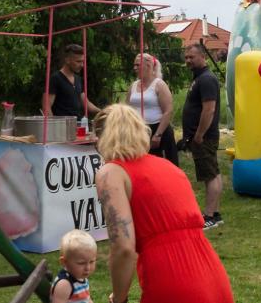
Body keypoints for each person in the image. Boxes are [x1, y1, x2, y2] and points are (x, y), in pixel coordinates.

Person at [94, 105, 233, 303]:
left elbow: (123, 248)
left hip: (171, 279)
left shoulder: (111, 173)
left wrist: (118, 298)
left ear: (103, 138)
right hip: (212, 275)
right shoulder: (169, 166)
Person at [180, 44, 223, 229]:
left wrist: (199, 134)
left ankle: (209, 216)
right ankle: (216, 213)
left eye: (192, 57)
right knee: (213, 172)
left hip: (203, 137)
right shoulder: (199, 78)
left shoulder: (206, 79)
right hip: (202, 136)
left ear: (203, 56)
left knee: (209, 176)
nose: (188, 60)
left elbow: (209, 109)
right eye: (186, 57)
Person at [126, 53, 178, 164]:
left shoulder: (159, 85)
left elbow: (168, 111)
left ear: (148, 65)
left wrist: (158, 135)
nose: (134, 68)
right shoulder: (133, 86)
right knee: (142, 163)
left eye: (137, 65)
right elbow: (127, 109)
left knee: (161, 164)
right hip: (139, 130)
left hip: (158, 129)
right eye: (134, 65)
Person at [45, 43, 102, 119]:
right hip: (62, 125)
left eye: (83, 62)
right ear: (67, 60)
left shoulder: (78, 79)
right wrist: (54, 125)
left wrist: (104, 112)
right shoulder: (56, 79)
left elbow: (87, 104)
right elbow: (46, 107)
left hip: (77, 124)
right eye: (78, 61)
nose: (82, 65)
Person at [52, 229, 97, 303]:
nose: (87, 268)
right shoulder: (64, 284)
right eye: (81, 263)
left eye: (91, 262)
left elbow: (87, 299)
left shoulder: (80, 277)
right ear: (64, 262)